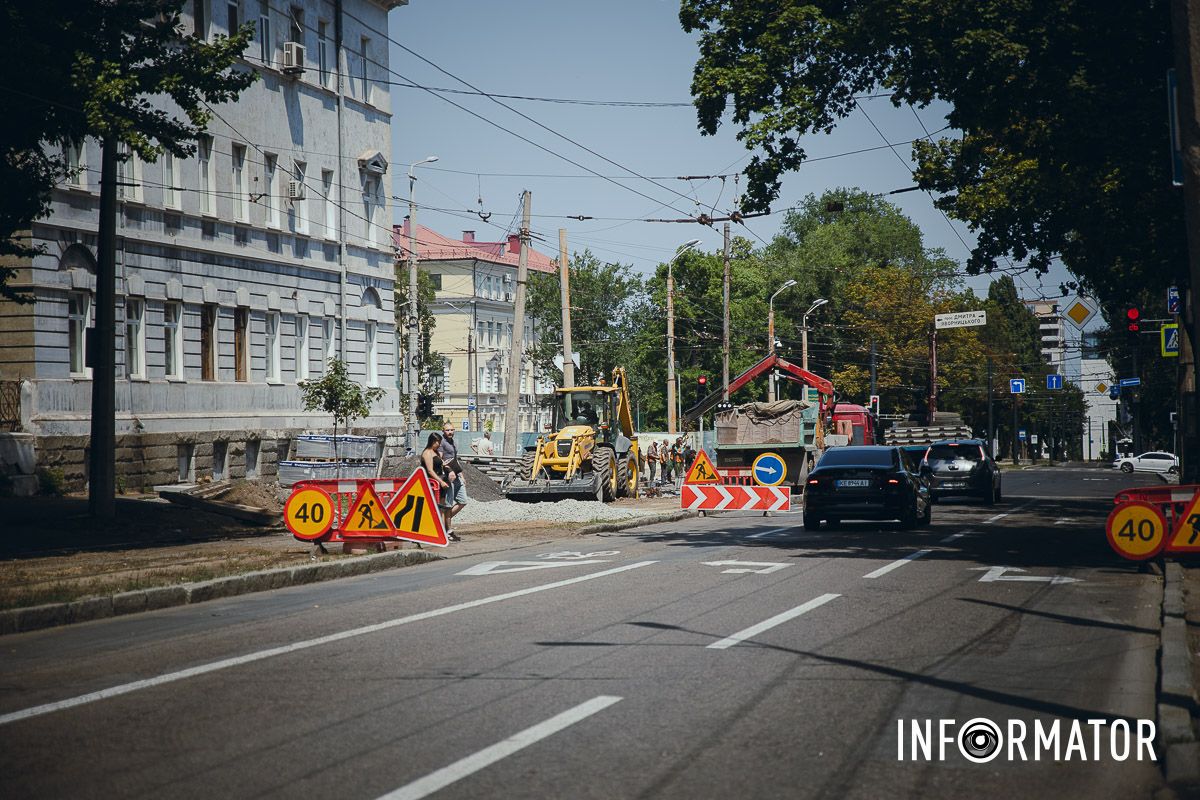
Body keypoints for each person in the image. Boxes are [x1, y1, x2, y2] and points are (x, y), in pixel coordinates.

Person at [420, 432, 454, 536]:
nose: (439, 444)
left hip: (441, 483)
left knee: (441, 508)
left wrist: (446, 466)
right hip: (434, 484)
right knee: (435, 507)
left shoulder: (436, 452)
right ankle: (434, 530)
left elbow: (440, 464)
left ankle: (442, 531)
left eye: (439, 442)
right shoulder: (427, 453)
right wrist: (441, 482)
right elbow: (430, 470)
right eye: (437, 442)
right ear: (432, 441)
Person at [440, 423, 468, 541]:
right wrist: (449, 470)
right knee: (448, 505)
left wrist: (461, 475)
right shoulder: (441, 443)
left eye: (452, 430)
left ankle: (442, 524)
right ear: (443, 431)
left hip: (456, 476)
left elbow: (455, 460)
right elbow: (440, 459)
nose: (450, 432)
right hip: (447, 477)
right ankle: (448, 530)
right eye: (447, 430)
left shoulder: (454, 443)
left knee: (463, 501)